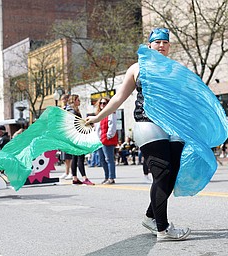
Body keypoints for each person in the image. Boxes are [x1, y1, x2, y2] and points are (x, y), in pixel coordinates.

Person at [85, 28, 191, 241]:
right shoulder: (137, 68)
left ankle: (152, 216)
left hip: (174, 126)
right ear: (149, 45)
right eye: (157, 42)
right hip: (148, 124)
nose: (161, 45)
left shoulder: (176, 68)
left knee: (171, 176)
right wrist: (97, 117)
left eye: (165, 42)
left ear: (169, 46)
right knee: (162, 174)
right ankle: (162, 228)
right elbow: (118, 98)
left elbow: (188, 98)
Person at [66, 94, 94, 185]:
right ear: (74, 101)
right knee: (80, 157)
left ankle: (74, 178)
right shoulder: (73, 111)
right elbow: (76, 125)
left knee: (75, 157)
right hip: (77, 136)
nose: (79, 101)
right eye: (78, 100)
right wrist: (86, 124)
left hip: (72, 137)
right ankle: (84, 178)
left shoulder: (68, 110)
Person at [95, 97, 118, 184]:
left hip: (107, 139)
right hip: (100, 140)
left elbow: (112, 125)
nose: (102, 105)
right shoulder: (99, 114)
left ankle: (111, 178)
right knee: (102, 159)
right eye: (101, 103)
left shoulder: (111, 113)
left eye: (104, 103)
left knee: (109, 159)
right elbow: (96, 128)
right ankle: (106, 176)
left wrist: (108, 136)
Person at [59, 94, 73, 180]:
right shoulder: (62, 109)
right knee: (65, 156)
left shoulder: (69, 109)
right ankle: (66, 172)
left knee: (69, 156)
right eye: (62, 99)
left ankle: (71, 172)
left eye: (64, 99)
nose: (63, 100)